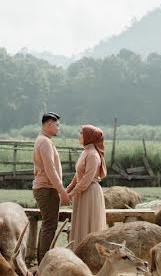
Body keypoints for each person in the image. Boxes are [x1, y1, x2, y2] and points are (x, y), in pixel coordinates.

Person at [32, 111, 70, 263]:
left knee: (48, 225)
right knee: (49, 226)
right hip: (46, 189)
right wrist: (62, 192)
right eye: (57, 125)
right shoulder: (44, 142)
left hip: (46, 188)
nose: (58, 128)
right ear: (49, 124)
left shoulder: (42, 140)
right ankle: (44, 262)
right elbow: (50, 169)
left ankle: (42, 260)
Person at [66, 124, 107, 245]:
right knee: (81, 223)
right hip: (82, 192)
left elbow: (86, 180)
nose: (79, 136)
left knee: (88, 224)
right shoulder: (86, 151)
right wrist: (69, 189)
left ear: (89, 137)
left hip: (89, 193)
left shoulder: (93, 155)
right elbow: (78, 174)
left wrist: (71, 194)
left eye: (81, 133)